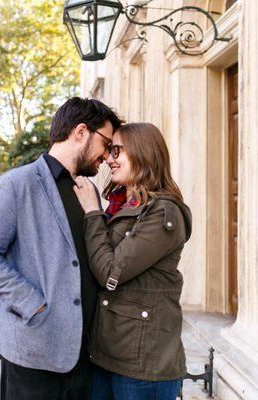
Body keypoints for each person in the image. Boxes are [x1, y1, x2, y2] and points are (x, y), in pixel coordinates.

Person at [0, 97, 122, 400]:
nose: (106, 156)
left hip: (83, 356)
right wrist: (33, 305)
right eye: (105, 143)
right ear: (80, 132)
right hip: (32, 351)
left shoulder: (86, 191)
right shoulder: (16, 184)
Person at [73, 122, 192, 400]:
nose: (109, 159)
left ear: (143, 153)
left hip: (143, 366)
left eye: (117, 151)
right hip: (107, 352)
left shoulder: (164, 212)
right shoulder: (122, 205)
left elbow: (111, 271)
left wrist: (92, 211)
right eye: (110, 150)